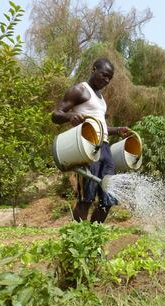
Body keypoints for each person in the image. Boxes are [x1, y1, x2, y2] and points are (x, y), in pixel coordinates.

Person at [52, 58, 129, 223]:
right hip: (87, 148)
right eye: (104, 75)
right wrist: (70, 116)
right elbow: (56, 115)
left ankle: (94, 239)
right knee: (86, 199)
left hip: (105, 149)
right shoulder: (80, 90)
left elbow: (99, 126)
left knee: (108, 199)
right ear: (94, 69)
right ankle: (77, 239)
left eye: (109, 78)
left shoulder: (101, 99)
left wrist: (117, 130)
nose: (106, 80)